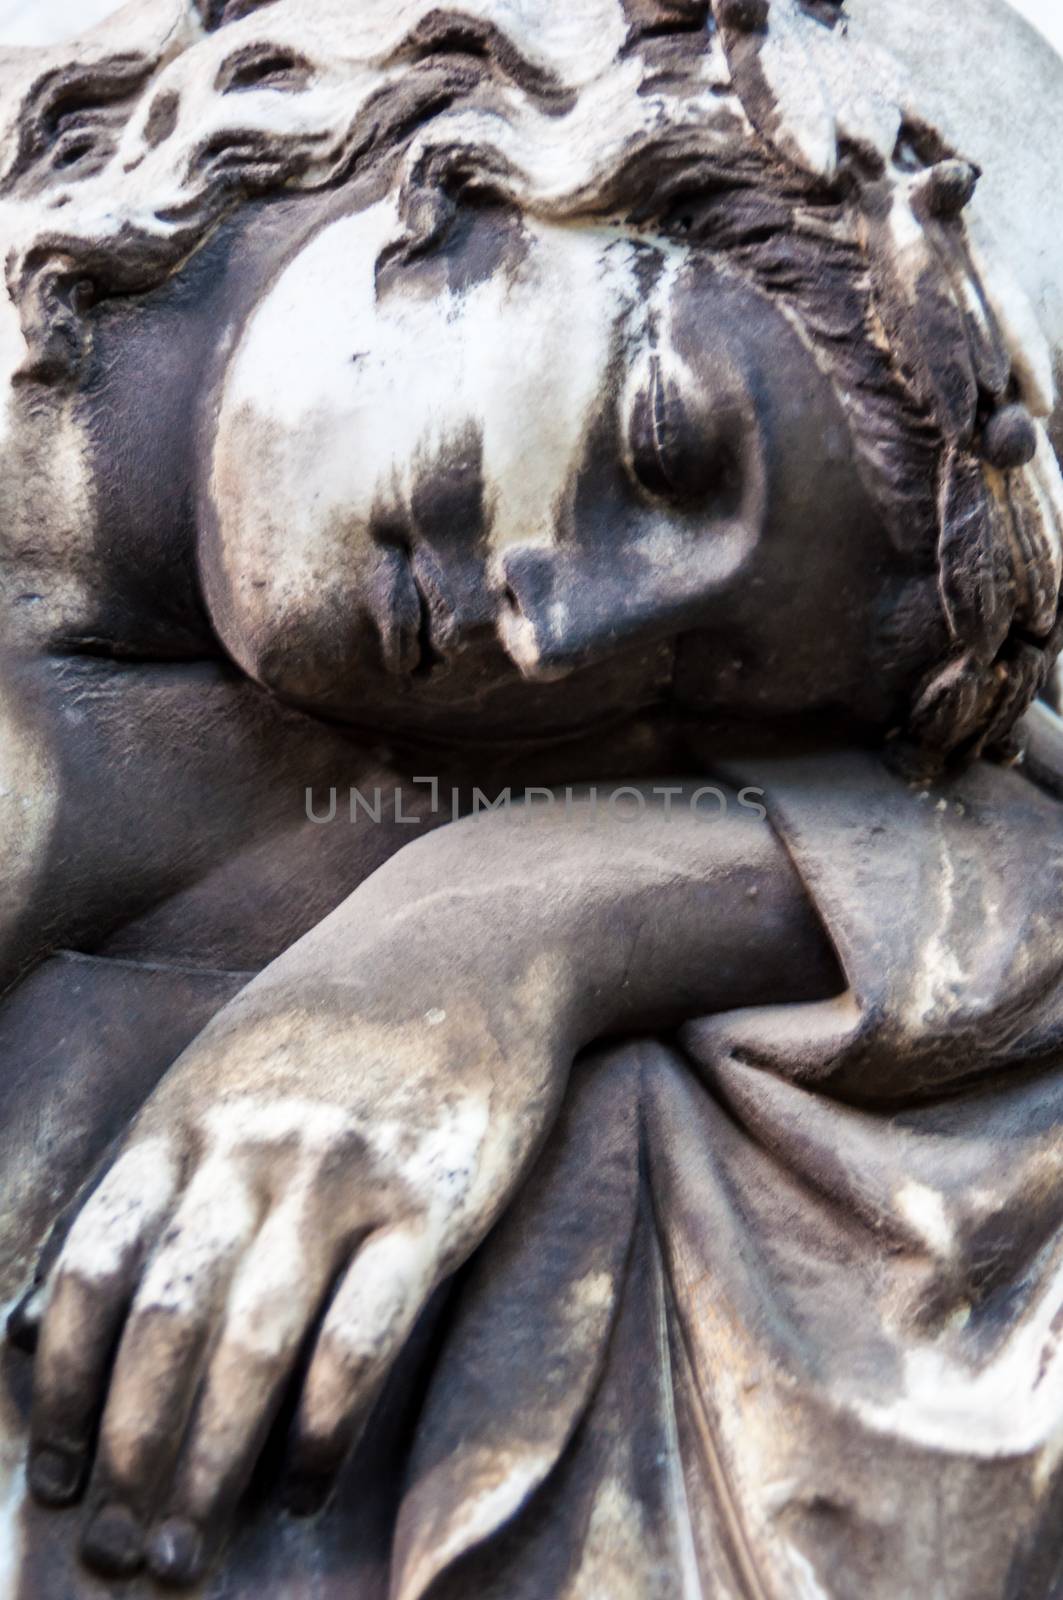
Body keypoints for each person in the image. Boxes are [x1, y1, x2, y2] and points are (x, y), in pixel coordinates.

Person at [2, 1, 1063, 1594]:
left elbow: (1015, 820)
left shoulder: (404, 783)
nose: (560, 636)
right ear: (492, 174)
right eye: (660, 445)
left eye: (688, 687)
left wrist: (520, 923)